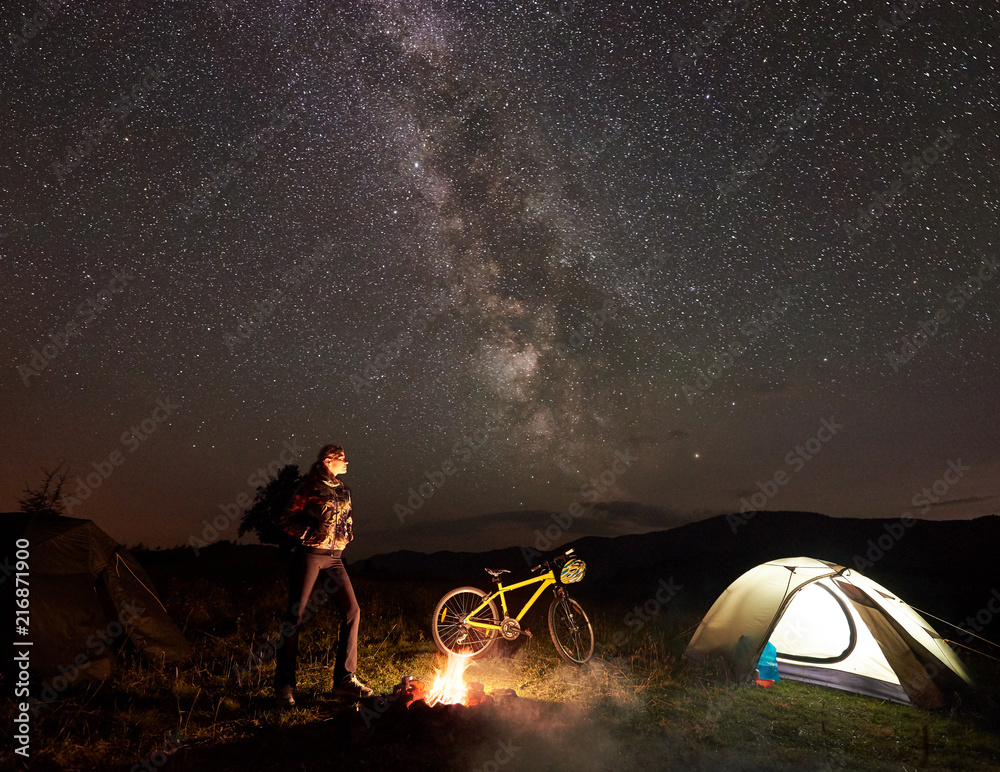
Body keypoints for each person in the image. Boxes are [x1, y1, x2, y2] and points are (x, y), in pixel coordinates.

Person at [273, 444, 373, 707]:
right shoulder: (309, 487)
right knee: (295, 617)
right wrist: (307, 533)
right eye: (342, 459)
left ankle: (344, 681)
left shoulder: (343, 489)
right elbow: (285, 519)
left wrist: (348, 534)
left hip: (335, 559)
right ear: (329, 461)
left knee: (353, 611)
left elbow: (348, 518)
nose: (347, 462)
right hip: (309, 556)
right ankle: (284, 687)